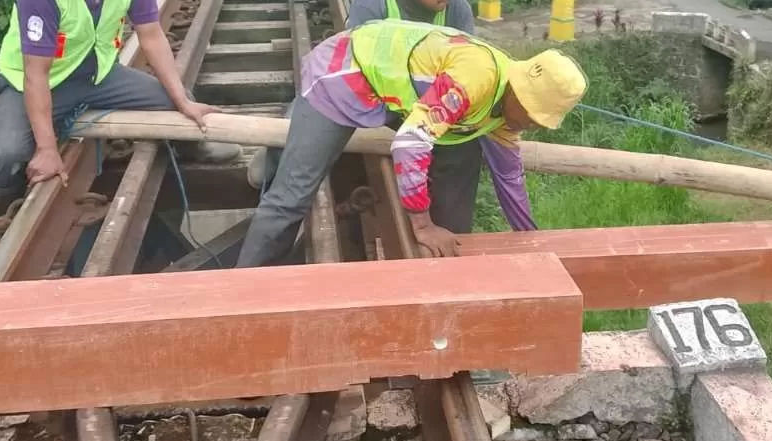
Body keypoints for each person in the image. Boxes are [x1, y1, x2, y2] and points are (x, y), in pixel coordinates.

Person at [233, 21, 589, 268]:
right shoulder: (476, 78)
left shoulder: (505, 113)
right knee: (293, 196)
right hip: (344, 73)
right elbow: (409, 143)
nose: (530, 123)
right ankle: (244, 293)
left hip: (392, 98)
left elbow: (510, 178)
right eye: (531, 114)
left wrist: (533, 242)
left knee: (454, 153)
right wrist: (422, 226)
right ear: (519, 91)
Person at [0, 0, 238, 221]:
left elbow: (150, 34)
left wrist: (181, 99)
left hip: (97, 75)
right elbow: (36, 73)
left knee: (179, 100)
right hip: (32, 83)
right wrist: (48, 149)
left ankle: (193, 147)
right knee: (10, 155)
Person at [246, 0, 485, 232]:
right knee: (305, 109)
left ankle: (451, 229)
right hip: (369, 99)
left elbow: (466, 72)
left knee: (468, 141)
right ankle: (273, 159)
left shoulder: (457, 9)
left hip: (421, 109)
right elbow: (360, 72)